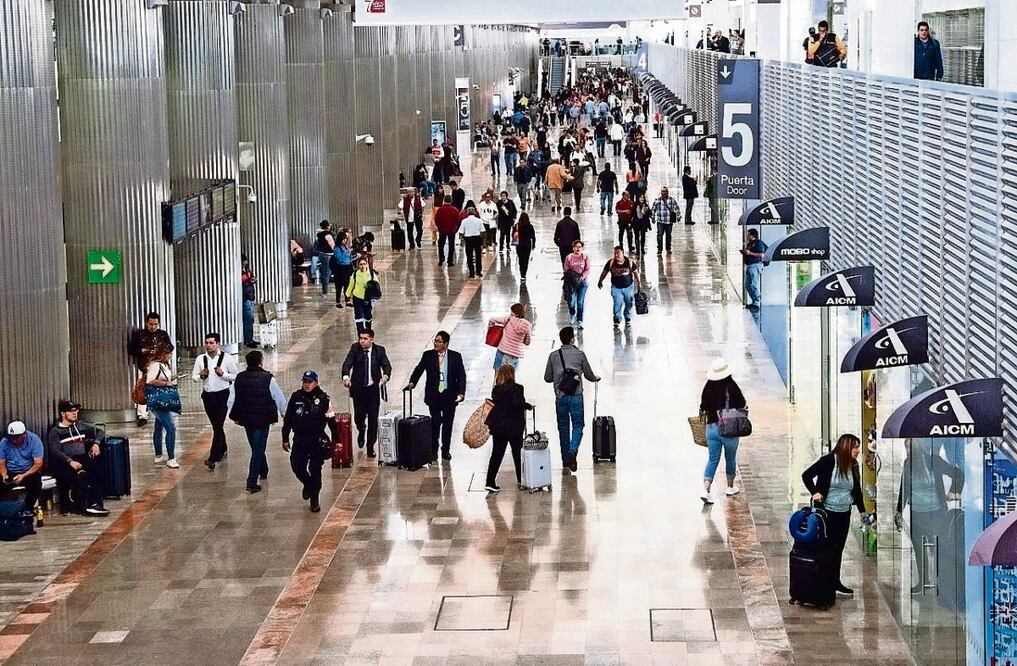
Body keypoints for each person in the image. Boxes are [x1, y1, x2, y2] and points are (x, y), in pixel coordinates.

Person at [802, 434, 873, 597]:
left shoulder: (853, 466)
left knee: (838, 549)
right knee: (826, 548)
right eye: (855, 447)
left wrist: (862, 512)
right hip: (826, 513)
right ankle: (822, 583)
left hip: (844, 513)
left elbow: (856, 491)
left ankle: (835, 581)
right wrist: (815, 492)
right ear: (846, 447)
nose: (857, 451)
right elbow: (806, 475)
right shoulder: (828, 461)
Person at [227, 350, 287, 493]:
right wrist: (284, 414)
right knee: (258, 448)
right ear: (260, 362)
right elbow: (279, 397)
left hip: (246, 418)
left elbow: (232, 398)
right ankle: (252, 481)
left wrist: (233, 415)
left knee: (255, 446)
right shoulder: (268, 378)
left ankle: (263, 469)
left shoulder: (240, 378)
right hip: (263, 418)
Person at [543, 326, 600, 473]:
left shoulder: (554, 356)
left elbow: (547, 378)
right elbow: (588, 375)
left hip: (560, 397)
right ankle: (573, 450)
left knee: (563, 428)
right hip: (575, 396)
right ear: (572, 339)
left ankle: (565, 461)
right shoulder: (579, 355)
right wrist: (595, 378)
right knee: (578, 425)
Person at [406, 330, 466, 462]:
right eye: (435, 341)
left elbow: (461, 375)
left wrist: (461, 392)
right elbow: (419, 369)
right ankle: (433, 449)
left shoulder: (456, 357)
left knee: (448, 424)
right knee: (436, 421)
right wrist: (413, 382)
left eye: (439, 341)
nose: (436, 343)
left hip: (449, 395)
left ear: (446, 343)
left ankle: (446, 450)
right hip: (434, 395)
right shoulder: (428, 355)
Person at [282, 371, 336, 513]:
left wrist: (337, 440)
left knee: (315, 469)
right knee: (297, 466)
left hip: (316, 440)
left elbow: (331, 420)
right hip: (300, 439)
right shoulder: (296, 397)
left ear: (316, 382)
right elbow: (288, 419)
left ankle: (314, 499)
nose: (307, 384)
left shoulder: (324, 399)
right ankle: (308, 483)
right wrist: (285, 437)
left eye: (310, 382)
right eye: (305, 381)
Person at [47, 401, 110, 516]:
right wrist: (69, 461)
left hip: (81, 457)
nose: (75, 413)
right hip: (64, 462)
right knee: (79, 476)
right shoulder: (56, 431)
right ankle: (82, 506)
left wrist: (96, 443)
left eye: (76, 411)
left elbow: (100, 431)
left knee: (96, 470)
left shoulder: (80, 426)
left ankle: (96, 503)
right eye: (71, 411)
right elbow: (55, 451)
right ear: (63, 413)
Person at [699, 359, 747, 503]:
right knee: (730, 458)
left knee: (713, 459)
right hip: (729, 429)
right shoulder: (732, 387)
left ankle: (706, 490)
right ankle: (730, 487)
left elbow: (703, 406)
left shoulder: (707, 388)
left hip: (711, 429)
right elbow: (742, 404)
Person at [341, 329, 392, 459]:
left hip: (373, 390)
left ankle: (370, 446)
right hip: (358, 390)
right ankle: (361, 429)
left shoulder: (379, 350)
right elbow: (347, 364)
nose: (362, 341)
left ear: (372, 339)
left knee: (373, 420)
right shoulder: (355, 348)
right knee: (359, 417)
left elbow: (386, 365)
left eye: (365, 339)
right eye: (361, 338)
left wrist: (385, 376)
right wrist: (346, 377)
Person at [191, 333, 238, 470]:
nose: (208, 345)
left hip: (222, 395)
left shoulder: (227, 358)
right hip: (207, 396)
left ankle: (212, 457)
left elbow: (235, 376)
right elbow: (194, 377)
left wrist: (223, 374)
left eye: (211, 343)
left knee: (218, 426)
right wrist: (200, 376)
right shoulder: (201, 359)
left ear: (218, 344)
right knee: (216, 425)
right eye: (207, 343)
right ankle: (223, 448)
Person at [483, 365, 532, 493]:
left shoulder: (496, 390)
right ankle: (521, 480)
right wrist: (527, 406)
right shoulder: (517, 388)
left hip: (498, 426)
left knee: (497, 454)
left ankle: (490, 481)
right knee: (517, 453)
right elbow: (517, 403)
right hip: (513, 427)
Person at [127, 312, 173, 425]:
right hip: (144, 367)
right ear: (146, 323)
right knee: (143, 391)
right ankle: (143, 415)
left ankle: (161, 411)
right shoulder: (139, 334)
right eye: (150, 324)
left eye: (155, 324)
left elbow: (170, 347)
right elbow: (132, 350)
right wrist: (142, 351)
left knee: (162, 389)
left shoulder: (162, 334)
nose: (152, 327)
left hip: (160, 367)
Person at [145, 344, 180, 468]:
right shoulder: (155, 365)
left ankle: (158, 455)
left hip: (162, 399)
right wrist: (166, 383)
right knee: (171, 428)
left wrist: (172, 378)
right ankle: (171, 458)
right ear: (163, 354)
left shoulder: (165, 365)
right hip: (158, 401)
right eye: (169, 353)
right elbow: (150, 380)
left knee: (159, 426)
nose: (171, 355)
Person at [0, 421, 44, 516]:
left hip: (28, 471)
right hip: (10, 471)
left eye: (16, 438)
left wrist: (23, 476)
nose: (14, 441)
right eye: (11, 438)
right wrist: (4, 474)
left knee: (36, 485)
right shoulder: (4, 442)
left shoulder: (34, 440)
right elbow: (1, 463)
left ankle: (28, 509)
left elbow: (38, 464)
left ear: (24, 435)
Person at [597, 246, 642, 328]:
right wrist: (600, 281)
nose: (616, 255)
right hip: (616, 287)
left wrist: (639, 283)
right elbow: (604, 272)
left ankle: (627, 317)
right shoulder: (611, 262)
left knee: (629, 303)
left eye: (618, 253)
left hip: (628, 287)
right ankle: (617, 319)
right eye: (615, 253)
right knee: (617, 303)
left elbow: (636, 273)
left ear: (622, 253)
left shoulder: (629, 262)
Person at [488, 303, 533, 376]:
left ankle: (496, 387)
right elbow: (527, 342)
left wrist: (491, 327)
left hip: (503, 351)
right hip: (515, 355)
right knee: (510, 378)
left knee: (498, 376)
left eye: (511, 313)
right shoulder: (527, 326)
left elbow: (492, 319)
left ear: (515, 314)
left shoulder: (508, 319)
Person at [346, 257, 377, 334]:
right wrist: (348, 294)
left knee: (368, 316)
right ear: (358, 265)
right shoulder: (355, 274)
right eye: (360, 264)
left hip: (368, 298)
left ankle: (368, 331)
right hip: (357, 298)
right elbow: (351, 284)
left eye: (364, 264)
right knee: (358, 316)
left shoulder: (371, 274)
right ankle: (360, 334)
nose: (362, 266)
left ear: (366, 264)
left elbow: (376, 285)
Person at [563, 240, 590, 329]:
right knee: (571, 302)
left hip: (582, 283)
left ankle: (580, 320)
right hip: (571, 283)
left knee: (580, 302)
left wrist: (582, 277)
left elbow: (587, 269)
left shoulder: (585, 257)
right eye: (576, 247)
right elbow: (566, 269)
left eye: (580, 247)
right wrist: (574, 277)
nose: (578, 249)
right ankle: (571, 313)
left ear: (582, 248)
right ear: (573, 248)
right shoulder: (569, 257)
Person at [741, 229, 767, 310]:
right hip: (749, 265)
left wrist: (750, 253)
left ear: (753, 236)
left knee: (753, 284)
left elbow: (762, 254)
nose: (747, 236)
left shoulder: (759, 243)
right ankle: (754, 301)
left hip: (755, 265)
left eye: (748, 235)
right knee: (748, 285)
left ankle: (757, 302)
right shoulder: (750, 244)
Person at [434, 194, 461, 266]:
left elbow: (436, 219)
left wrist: (439, 227)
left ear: (444, 200)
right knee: (451, 245)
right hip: (451, 230)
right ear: (451, 201)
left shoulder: (440, 209)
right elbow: (458, 221)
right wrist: (456, 229)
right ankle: (450, 261)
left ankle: (441, 258)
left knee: (441, 244)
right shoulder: (455, 210)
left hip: (442, 230)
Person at [652, 186, 680, 255]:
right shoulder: (657, 200)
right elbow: (653, 209)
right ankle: (659, 249)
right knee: (659, 235)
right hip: (660, 221)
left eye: (665, 191)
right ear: (661, 192)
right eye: (663, 191)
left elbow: (677, 208)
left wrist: (678, 216)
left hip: (669, 221)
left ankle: (668, 248)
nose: (664, 193)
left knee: (668, 235)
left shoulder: (671, 200)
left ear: (668, 192)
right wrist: (653, 217)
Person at [460, 206, 485, 279]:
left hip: (468, 239)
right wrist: (482, 241)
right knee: (478, 256)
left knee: (469, 256)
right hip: (477, 238)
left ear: (467, 213)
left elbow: (461, 232)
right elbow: (483, 231)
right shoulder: (479, 220)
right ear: (474, 212)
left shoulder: (464, 221)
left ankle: (471, 273)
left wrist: (462, 240)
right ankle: (478, 271)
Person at [331, 229, 355, 308]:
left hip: (347, 267)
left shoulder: (345, 247)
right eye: (344, 239)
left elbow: (349, 257)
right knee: (339, 286)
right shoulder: (337, 248)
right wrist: (347, 253)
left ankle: (347, 300)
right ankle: (338, 302)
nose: (345, 240)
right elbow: (339, 258)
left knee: (347, 285)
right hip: (340, 268)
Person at [314, 220, 336, 294]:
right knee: (327, 273)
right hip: (328, 255)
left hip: (321, 254)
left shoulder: (319, 234)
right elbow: (333, 246)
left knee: (324, 273)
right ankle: (325, 292)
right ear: (328, 226)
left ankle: (324, 290)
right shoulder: (328, 235)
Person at [241, 256, 258, 347]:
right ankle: (248, 340)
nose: (245, 264)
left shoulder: (247, 270)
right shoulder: (238, 271)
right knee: (248, 319)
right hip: (245, 297)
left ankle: (250, 338)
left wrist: (253, 279)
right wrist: (249, 280)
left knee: (250, 320)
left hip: (250, 297)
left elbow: (251, 277)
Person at [515, 212, 537, 281]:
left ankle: (522, 273)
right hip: (527, 244)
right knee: (526, 259)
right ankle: (524, 273)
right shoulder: (530, 226)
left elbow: (514, 235)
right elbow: (533, 237)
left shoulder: (517, 225)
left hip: (519, 245)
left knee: (520, 259)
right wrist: (533, 245)